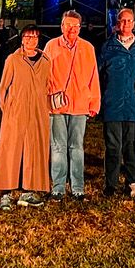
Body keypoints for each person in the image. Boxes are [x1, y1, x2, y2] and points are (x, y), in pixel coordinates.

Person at [44, 10, 100, 200]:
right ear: (62, 26)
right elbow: (45, 75)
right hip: (57, 105)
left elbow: (94, 76)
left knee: (76, 147)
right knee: (58, 147)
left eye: (76, 26)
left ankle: (78, 187)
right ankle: (58, 187)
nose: (72, 29)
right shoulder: (51, 46)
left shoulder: (88, 48)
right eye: (68, 25)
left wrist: (94, 102)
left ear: (80, 27)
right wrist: (48, 97)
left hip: (80, 104)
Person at [0, 25, 51, 208]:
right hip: (16, 112)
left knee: (35, 150)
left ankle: (29, 191)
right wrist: (8, 107)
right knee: (10, 151)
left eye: (34, 37)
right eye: (27, 36)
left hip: (37, 113)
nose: (31, 40)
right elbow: (3, 86)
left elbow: (48, 86)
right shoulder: (13, 59)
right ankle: (6, 192)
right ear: (22, 39)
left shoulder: (45, 61)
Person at [98, 7, 135, 197]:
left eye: (129, 21)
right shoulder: (107, 47)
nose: (126, 24)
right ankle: (110, 183)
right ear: (117, 23)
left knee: (132, 145)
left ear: (134, 24)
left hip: (134, 104)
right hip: (113, 102)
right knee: (112, 146)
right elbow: (98, 73)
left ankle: (132, 182)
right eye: (122, 21)